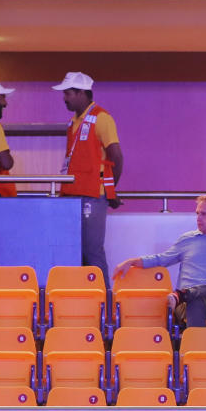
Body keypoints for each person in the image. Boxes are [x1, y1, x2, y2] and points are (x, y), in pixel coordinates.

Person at [112, 194, 206, 326]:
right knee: (196, 300)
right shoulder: (187, 239)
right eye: (197, 213)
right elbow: (161, 259)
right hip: (189, 304)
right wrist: (133, 261)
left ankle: (184, 294)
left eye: (204, 214)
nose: (198, 218)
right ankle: (195, 343)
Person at [53, 72, 124, 288]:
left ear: (82, 93)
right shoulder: (73, 122)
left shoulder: (102, 118)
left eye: (68, 93)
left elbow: (117, 156)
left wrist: (110, 191)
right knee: (76, 251)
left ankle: (103, 300)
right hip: (72, 195)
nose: (64, 98)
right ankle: (82, 297)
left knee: (92, 251)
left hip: (93, 195)